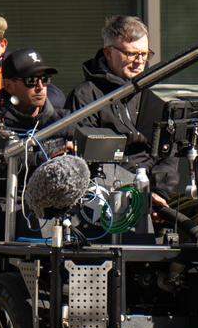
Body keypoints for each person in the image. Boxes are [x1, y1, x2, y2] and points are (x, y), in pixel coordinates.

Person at [67, 15, 173, 207]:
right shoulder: (86, 95)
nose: (139, 62)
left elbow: (168, 151)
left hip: (153, 197)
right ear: (108, 53)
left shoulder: (155, 92)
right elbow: (84, 158)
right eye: (131, 54)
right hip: (103, 200)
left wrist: (160, 192)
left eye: (144, 54)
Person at [0, 48, 70, 239]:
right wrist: (47, 155)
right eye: (31, 80)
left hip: (55, 205)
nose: (40, 87)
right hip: (7, 208)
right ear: (9, 86)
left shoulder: (63, 120)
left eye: (45, 79)